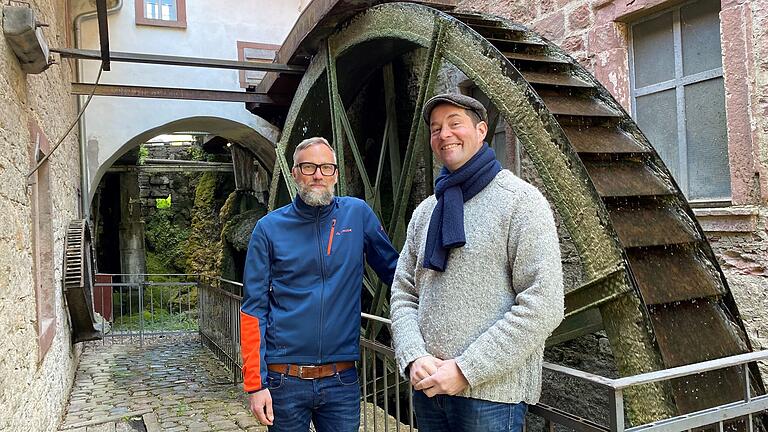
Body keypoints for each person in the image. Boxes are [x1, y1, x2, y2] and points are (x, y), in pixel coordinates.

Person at [390, 93, 564, 431]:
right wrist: (413, 356)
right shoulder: (425, 213)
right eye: (436, 128)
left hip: (491, 400)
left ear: (481, 130)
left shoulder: (521, 203)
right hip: (427, 390)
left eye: (455, 124)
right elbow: (403, 293)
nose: (444, 135)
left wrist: (466, 370)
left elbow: (544, 304)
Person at [240, 136, 399, 431]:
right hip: (283, 380)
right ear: (295, 172)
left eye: (326, 168)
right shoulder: (269, 229)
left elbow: (396, 273)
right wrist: (256, 384)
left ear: (336, 175)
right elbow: (253, 309)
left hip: (341, 380)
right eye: (309, 167)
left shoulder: (357, 214)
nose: (318, 175)